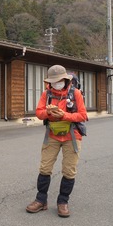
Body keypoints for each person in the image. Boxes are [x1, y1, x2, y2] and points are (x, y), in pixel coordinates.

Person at [26, 65, 88, 217]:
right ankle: (41, 200)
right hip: (52, 135)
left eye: (58, 80)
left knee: (69, 170)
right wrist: (48, 112)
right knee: (45, 168)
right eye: (53, 81)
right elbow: (39, 113)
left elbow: (82, 115)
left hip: (72, 135)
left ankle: (63, 202)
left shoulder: (76, 93)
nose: (55, 83)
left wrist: (64, 115)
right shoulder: (46, 93)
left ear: (65, 79)